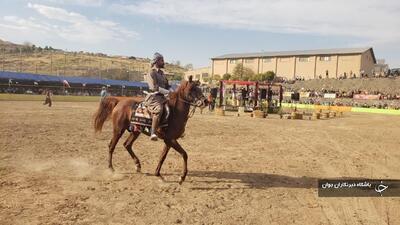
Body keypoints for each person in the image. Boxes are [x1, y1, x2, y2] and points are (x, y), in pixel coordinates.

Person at [144, 52, 171, 141]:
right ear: (156, 61)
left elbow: (167, 85)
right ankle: (153, 133)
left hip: (163, 97)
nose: (164, 62)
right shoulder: (151, 72)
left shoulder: (162, 74)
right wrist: (167, 92)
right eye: (162, 60)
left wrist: (174, 92)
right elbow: (153, 87)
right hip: (154, 97)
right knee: (159, 109)